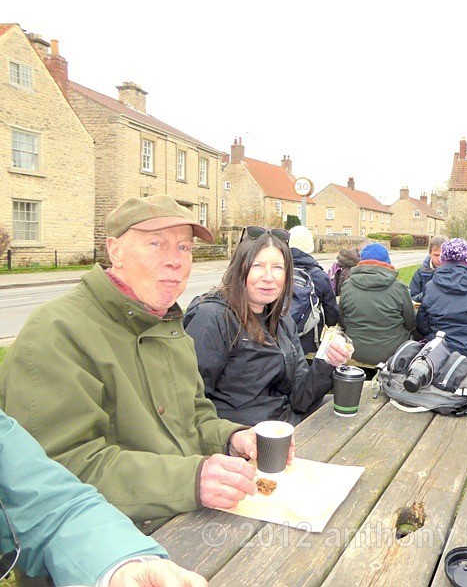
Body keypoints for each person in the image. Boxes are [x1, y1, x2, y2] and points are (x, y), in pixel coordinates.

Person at [0, 195, 267, 534]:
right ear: (116, 251)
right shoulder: (57, 332)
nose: (174, 261)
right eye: (156, 243)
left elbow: (195, 418)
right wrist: (191, 480)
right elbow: (60, 469)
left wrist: (232, 438)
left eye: (184, 248)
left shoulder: (168, 327)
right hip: (109, 543)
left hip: (183, 517)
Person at [0, 409, 206, 587]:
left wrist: (119, 568)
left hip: (145, 530)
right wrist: (189, 478)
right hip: (148, 519)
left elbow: (49, 505)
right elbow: (73, 459)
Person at [184, 227, 350, 425]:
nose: (269, 277)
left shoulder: (281, 319)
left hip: (283, 423)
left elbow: (300, 399)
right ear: (239, 269)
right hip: (241, 434)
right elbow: (189, 404)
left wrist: (327, 361)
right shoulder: (212, 318)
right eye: (258, 266)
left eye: (278, 267)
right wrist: (232, 436)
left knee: (347, 411)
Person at [416, 238, 467, 371]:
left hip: (440, 357)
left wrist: (434, 336)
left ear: (443, 257)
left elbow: (422, 324)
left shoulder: (431, 285)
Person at [339, 242, 416, 365]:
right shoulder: (399, 287)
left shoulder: (347, 286)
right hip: (392, 351)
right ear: (387, 262)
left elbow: (342, 320)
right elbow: (410, 323)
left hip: (355, 349)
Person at [287, 225, 339, 354]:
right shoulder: (318, 276)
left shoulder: (278, 271)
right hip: (308, 343)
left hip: (280, 341)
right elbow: (331, 313)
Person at [409, 235, 447, 301]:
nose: (439, 259)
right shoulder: (421, 272)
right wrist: (427, 294)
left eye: (443, 255)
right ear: (430, 254)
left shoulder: (456, 273)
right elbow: (411, 298)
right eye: (436, 255)